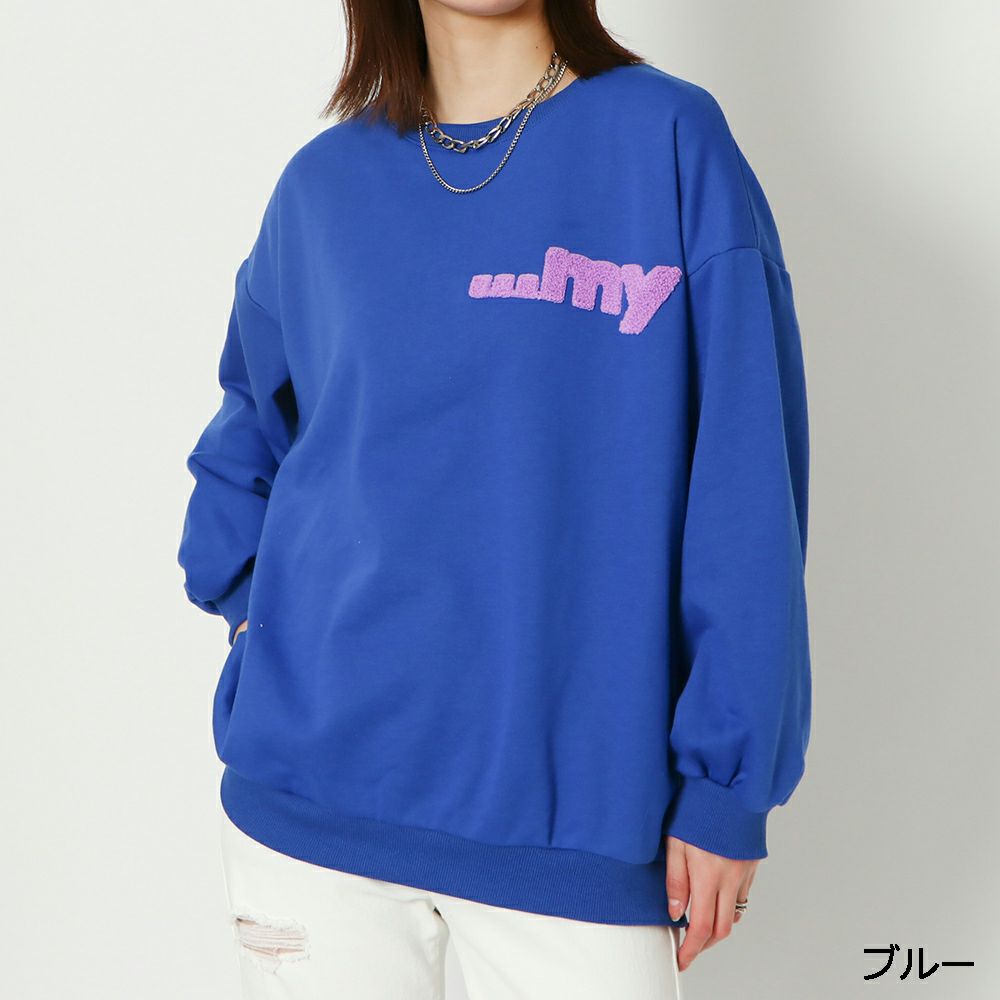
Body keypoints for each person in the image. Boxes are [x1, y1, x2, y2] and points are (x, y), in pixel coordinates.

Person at [177, 1, 812, 996]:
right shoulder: (322, 187)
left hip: (575, 827)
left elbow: (744, 484)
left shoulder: (666, 141)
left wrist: (727, 784)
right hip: (310, 813)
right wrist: (260, 618)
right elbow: (248, 441)